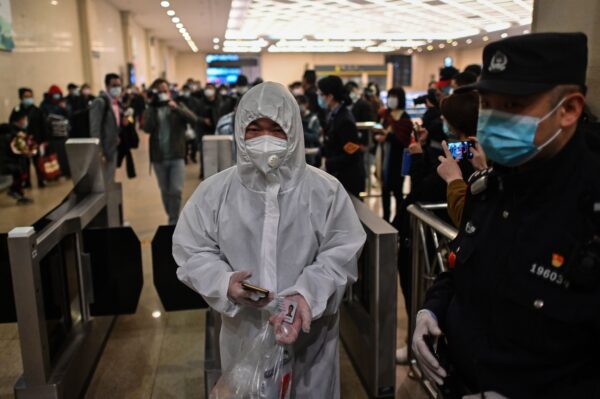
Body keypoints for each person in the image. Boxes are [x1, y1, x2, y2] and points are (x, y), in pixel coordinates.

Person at [412, 32, 600, 398]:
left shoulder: (589, 208)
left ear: (569, 109)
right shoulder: (491, 187)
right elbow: (462, 269)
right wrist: (431, 310)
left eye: (514, 105)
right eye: (488, 104)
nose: (495, 120)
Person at [173, 82, 366, 398]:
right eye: (254, 129)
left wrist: (307, 294)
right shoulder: (215, 193)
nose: (265, 139)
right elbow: (192, 250)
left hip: (310, 338)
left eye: (276, 128)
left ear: (293, 129)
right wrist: (224, 283)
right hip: (244, 335)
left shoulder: (325, 192)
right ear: (239, 131)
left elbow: (341, 254)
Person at [143, 78, 197, 225]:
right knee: (165, 191)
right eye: (159, 91)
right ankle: (172, 216)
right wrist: (151, 107)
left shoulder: (177, 105)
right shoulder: (151, 109)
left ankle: (173, 221)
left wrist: (177, 108)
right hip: (158, 158)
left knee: (176, 190)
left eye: (165, 91)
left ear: (169, 92)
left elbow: (193, 119)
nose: (162, 94)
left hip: (177, 156)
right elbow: (146, 128)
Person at [319, 75, 365, 198]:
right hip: (338, 176)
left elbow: (351, 154)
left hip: (347, 179)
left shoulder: (345, 120)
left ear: (330, 96)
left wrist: (327, 165)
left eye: (322, 95)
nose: (321, 98)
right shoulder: (333, 114)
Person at [375, 87, 413, 222]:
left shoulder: (404, 117)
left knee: (398, 192)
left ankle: (399, 221)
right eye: (390, 96)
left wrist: (388, 137)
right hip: (384, 158)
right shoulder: (385, 115)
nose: (391, 99)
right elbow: (379, 130)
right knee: (384, 191)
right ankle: (385, 219)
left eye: (394, 96)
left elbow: (404, 140)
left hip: (398, 160)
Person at [90, 73, 124, 183]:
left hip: (113, 147)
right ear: (107, 86)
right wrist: (99, 151)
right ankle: (106, 200)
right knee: (105, 182)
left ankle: (109, 199)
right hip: (104, 149)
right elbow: (95, 128)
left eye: (119, 85)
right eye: (114, 85)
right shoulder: (100, 102)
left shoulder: (115, 102)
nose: (117, 88)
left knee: (110, 179)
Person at [10, 88, 47, 188]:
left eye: (30, 96)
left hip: (36, 140)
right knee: (24, 163)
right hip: (22, 141)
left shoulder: (37, 110)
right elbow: (12, 124)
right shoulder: (17, 110)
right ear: (21, 97)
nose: (28, 98)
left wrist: (43, 140)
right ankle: (26, 181)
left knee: (38, 161)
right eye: (26, 97)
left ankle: (41, 180)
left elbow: (43, 125)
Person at [1, 109, 34, 203]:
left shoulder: (16, 132)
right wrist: (27, 152)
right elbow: (16, 149)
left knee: (18, 179)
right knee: (18, 179)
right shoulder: (13, 134)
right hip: (12, 162)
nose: (25, 121)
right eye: (24, 119)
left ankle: (17, 193)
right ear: (18, 120)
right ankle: (18, 194)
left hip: (13, 161)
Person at [40, 85, 70, 177]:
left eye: (58, 94)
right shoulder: (45, 105)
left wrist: (64, 108)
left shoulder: (62, 103)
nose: (56, 96)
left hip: (63, 134)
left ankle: (66, 171)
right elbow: (43, 119)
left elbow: (69, 115)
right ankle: (56, 173)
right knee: (55, 155)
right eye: (55, 94)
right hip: (52, 135)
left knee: (65, 154)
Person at [295, 94, 321, 166]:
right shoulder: (295, 117)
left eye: (299, 104)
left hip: (309, 155)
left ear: (306, 104)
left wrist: (301, 133)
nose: (297, 107)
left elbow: (315, 137)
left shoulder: (313, 119)